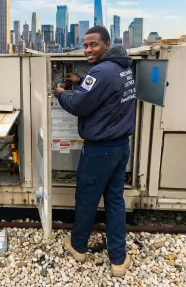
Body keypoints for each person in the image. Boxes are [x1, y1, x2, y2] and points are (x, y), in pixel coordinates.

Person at [54, 26, 136, 277]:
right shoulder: (124, 68)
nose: (88, 50)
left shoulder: (100, 71)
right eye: (85, 45)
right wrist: (82, 82)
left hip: (100, 150)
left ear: (107, 45)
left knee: (87, 199)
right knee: (114, 200)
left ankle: (78, 247)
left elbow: (78, 104)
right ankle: (118, 261)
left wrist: (61, 93)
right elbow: (106, 92)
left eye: (94, 45)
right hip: (121, 146)